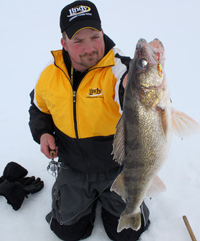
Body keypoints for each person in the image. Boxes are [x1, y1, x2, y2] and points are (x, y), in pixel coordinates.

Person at [29, 1, 150, 240]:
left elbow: (131, 88)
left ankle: (114, 203)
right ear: (64, 43)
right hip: (72, 165)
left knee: (127, 233)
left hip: (117, 167)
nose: (90, 48)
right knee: (68, 232)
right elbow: (38, 109)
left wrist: (137, 82)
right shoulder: (50, 76)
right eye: (78, 41)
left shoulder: (118, 68)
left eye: (94, 36)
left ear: (102, 33)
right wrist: (43, 133)